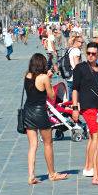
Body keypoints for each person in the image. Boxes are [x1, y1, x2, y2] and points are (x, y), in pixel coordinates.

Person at [21, 53, 66, 185]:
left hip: (28, 110)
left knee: (33, 145)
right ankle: (52, 173)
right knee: (48, 143)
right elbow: (52, 96)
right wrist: (49, 79)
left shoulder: (27, 75)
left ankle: (31, 175)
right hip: (40, 112)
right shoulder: (44, 77)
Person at [71, 41, 98, 183]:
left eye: (93, 54)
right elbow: (75, 89)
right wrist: (75, 108)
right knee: (96, 136)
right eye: (88, 53)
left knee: (93, 138)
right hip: (88, 107)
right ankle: (90, 168)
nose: (90, 56)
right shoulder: (80, 68)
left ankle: (89, 166)